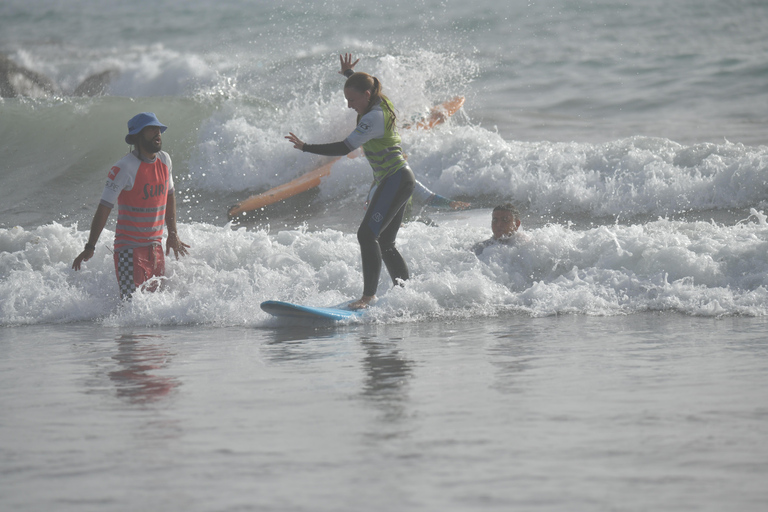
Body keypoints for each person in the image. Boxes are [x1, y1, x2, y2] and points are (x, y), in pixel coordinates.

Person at [286, 54, 415, 309]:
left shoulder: (373, 118)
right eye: (347, 99)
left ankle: (368, 297)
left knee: (367, 235)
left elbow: (344, 147)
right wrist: (348, 74)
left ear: (366, 96)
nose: (349, 106)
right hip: (398, 179)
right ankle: (407, 295)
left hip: (395, 179)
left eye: (352, 100)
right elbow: (368, 87)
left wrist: (305, 147)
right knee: (386, 242)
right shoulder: (380, 101)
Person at [72, 112, 190, 299]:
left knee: (153, 309)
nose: (157, 133)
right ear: (137, 136)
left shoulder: (165, 160)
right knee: (131, 308)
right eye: (151, 129)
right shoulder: (124, 168)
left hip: (155, 248)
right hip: (129, 250)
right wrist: (90, 246)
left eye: (158, 129)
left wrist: (173, 234)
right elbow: (104, 208)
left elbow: (170, 197)